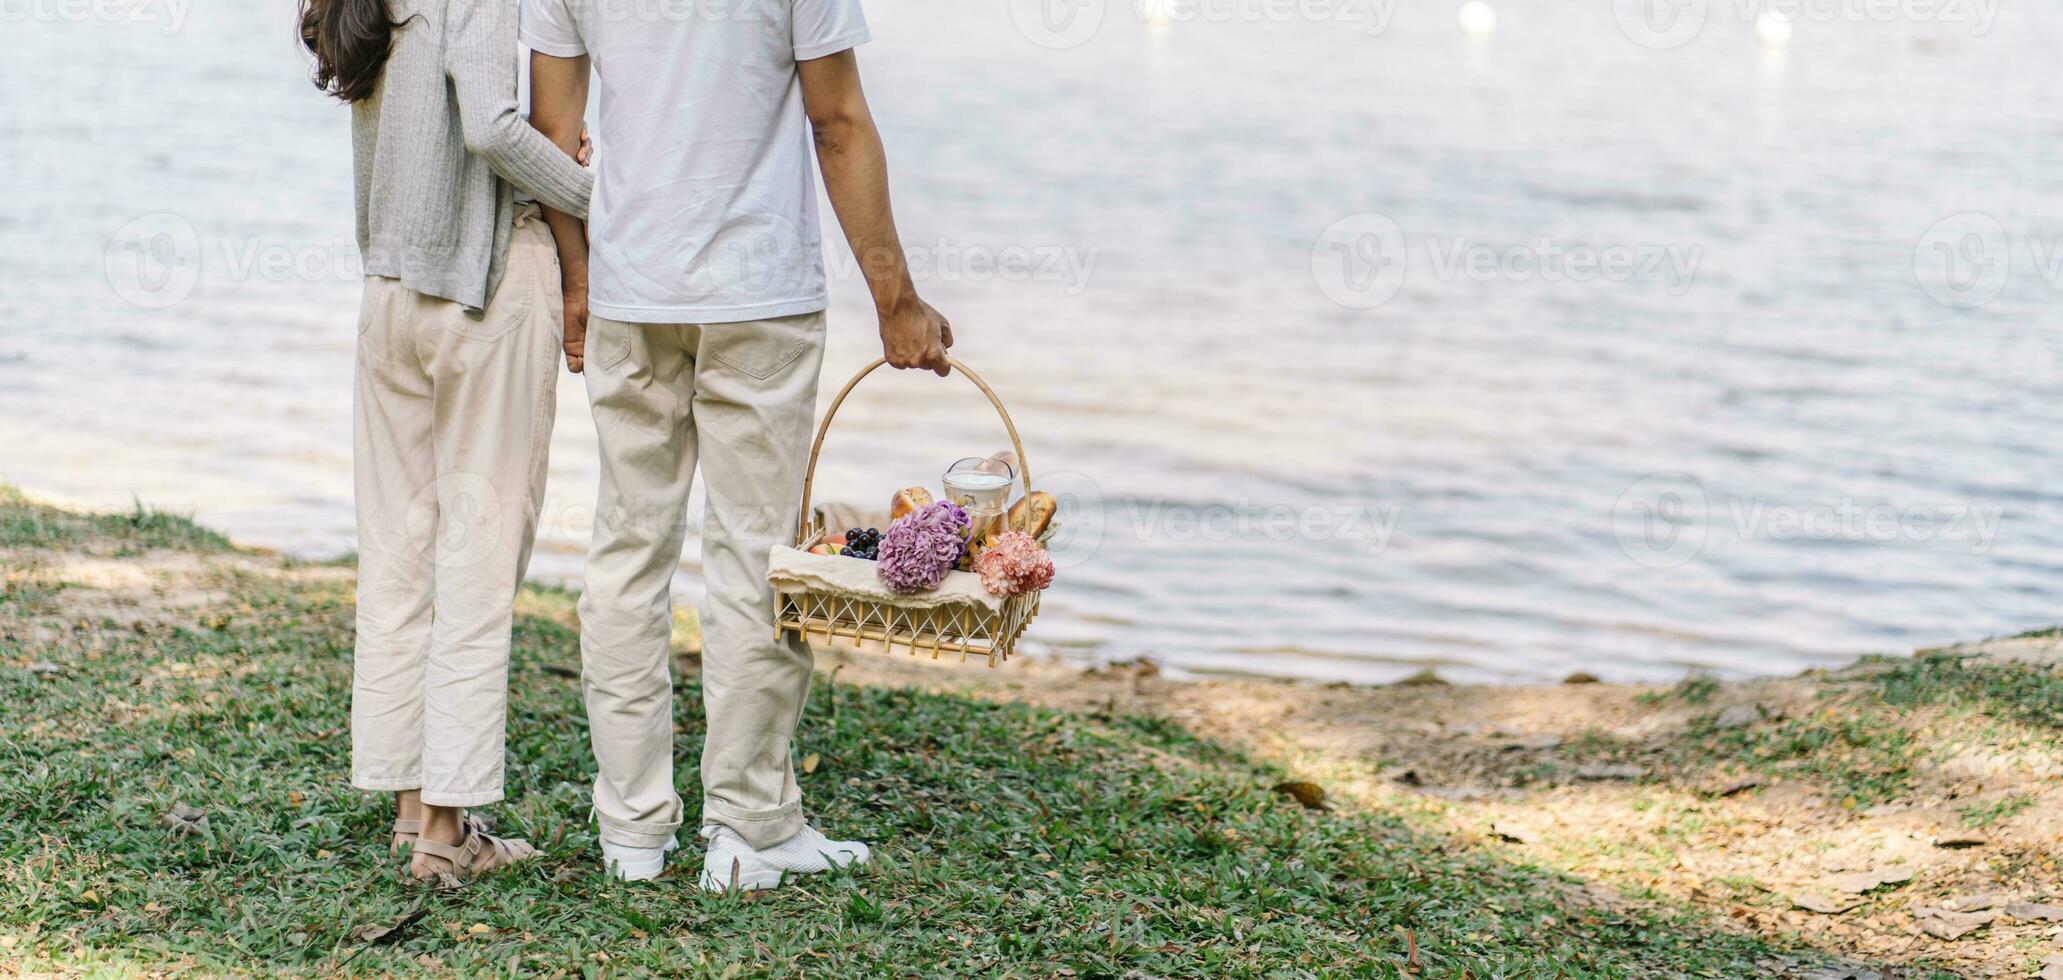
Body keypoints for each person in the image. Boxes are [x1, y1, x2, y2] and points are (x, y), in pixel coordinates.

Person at [523, 0, 954, 889]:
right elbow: (837, 124)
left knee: (626, 552)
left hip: (631, 289)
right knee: (754, 559)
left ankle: (632, 835)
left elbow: (552, 136)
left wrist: (578, 273)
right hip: (756, 294)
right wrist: (895, 300)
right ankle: (750, 828)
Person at [301, 0, 592, 881]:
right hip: (484, 290)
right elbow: (492, 125)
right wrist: (597, 194)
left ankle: (407, 811)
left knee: (400, 557)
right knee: (477, 558)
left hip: (388, 295)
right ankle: (444, 834)